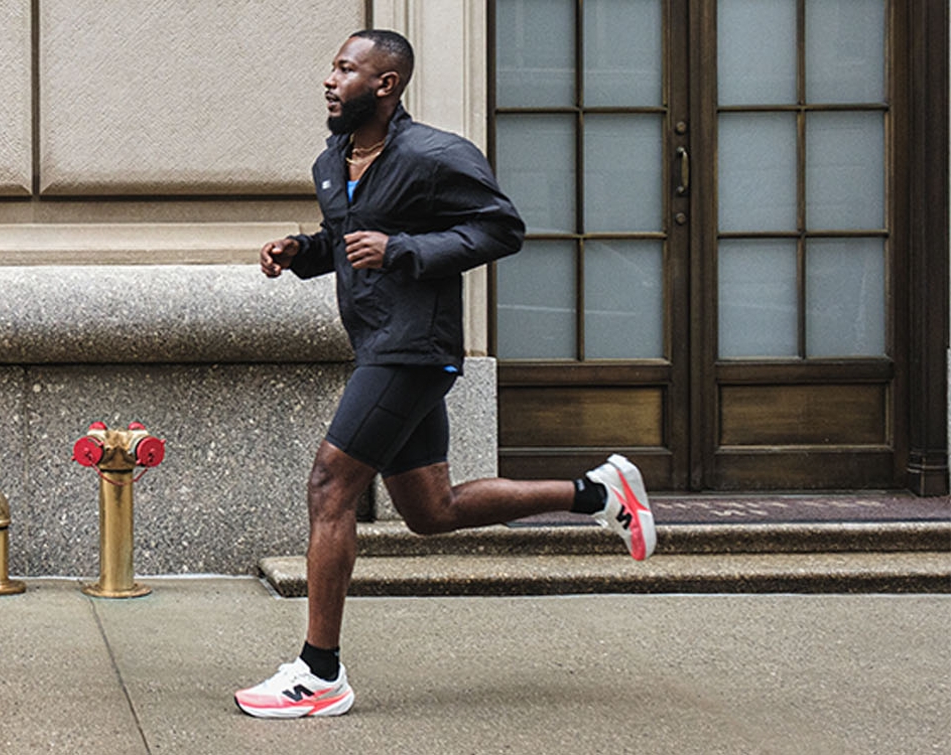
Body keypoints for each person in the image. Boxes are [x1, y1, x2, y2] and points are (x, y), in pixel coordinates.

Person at [233, 29, 656, 719]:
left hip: (414, 348)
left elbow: (501, 228)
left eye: (346, 69)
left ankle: (319, 672)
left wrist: (404, 248)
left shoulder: (435, 155)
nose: (329, 80)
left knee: (329, 483)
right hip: (378, 345)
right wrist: (301, 251)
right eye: (333, 68)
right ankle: (596, 492)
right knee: (433, 511)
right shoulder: (333, 159)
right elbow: (347, 242)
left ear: (386, 83)